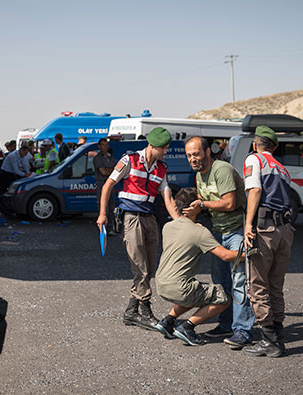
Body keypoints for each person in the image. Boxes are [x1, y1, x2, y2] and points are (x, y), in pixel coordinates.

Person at [97, 127, 180, 330]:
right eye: (163, 148)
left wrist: (179, 221)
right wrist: (102, 215)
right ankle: (145, 311)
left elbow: (167, 196)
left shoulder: (161, 168)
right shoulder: (129, 160)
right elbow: (108, 185)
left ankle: (131, 312)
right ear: (152, 146)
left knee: (149, 267)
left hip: (150, 218)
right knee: (140, 267)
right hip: (131, 218)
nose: (166, 152)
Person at [184, 137, 254, 349]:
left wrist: (202, 204)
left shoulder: (221, 169)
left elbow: (230, 203)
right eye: (189, 156)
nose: (193, 159)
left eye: (196, 154)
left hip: (236, 232)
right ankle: (226, 325)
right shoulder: (199, 176)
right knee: (221, 282)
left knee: (239, 281)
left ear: (207, 152)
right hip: (218, 232)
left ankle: (243, 331)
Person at [154, 188, 243, 346]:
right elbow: (226, 256)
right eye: (200, 202)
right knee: (223, 299)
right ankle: (187, 327)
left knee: (194, 289)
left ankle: (168, 321)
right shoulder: (200, 232)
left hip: (161, 284)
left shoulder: (168, 226)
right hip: (180, 288)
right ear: (193, 206)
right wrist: (249, 255)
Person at [241, 126, 295, 358]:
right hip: (285, 230)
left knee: (258, 286)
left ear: (255, 144)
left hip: (265, 229)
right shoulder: (282, 168)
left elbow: (254, 190)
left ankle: (269, 340)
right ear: (274, 146)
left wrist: (248, 224)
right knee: (275, 285)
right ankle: (278, 337)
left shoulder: (254, 160)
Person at [93, 138, 117, 235]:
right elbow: (103, 172)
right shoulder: (97, 158)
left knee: (111, 207)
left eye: (106, 145)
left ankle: (111, 228)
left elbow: (116, 170)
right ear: (99, 146)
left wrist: (110, 170)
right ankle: (104, 229)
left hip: (110, 186)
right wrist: (110, 170)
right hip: (101, 186)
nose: (105, 147)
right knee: (103, 208)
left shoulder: (110, 157)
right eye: (103, 145)